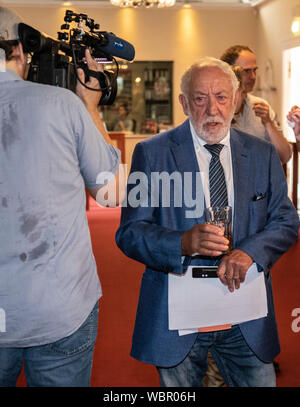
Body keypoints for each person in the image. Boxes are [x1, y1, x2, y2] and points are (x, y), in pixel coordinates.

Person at [115, 57, 299, 387]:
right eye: (200, 98)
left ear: (236, 99)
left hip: (245, 315)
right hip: (179, 318)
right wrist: (182, 243)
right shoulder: (152, 153)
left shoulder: (261, 153)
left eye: (221, 97)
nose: (212, 109)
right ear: (185, 103)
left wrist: (251, 252)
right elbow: (129, 232)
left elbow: (285, 219)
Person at [0, 7, 123, 387]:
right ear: (20, 50)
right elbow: (112, 191)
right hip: (60, 310)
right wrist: (87, 104)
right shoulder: (62, 105)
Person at [220, 45, 292, 164]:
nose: (253, 77)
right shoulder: (214, 111)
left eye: (255, 70)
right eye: (247, 71)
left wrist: (268, 123)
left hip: (258, 180)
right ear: (230, 72)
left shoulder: (262, 106)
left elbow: (284, 156)